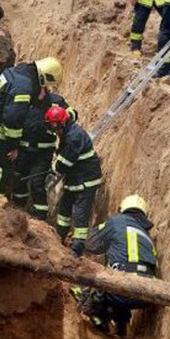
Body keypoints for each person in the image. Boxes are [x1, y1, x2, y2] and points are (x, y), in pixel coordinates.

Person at [0, 57, 62, 197]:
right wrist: (13, 146)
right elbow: (13, 119)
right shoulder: (24, 86)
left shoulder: (16, 72)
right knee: (4, 170)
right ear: (44, 79)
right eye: (45, 87)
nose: (45, 91)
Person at [72, 194, 157, 339]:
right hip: (147, 295)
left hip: (121, 291)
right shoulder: (146, 236)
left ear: (122, 209)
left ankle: (102, 321)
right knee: (123, 278)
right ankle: (123, 326)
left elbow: (91, 243)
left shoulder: (116, 221)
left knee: (85, 290)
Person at [44, 106, 102, 257]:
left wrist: (54, 167)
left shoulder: (74, 137)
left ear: (61, 123)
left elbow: (64, 163)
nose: (54, 130)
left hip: (85, 181)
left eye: (54, 127)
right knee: (63, 210)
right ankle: (59, 237)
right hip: (74, 178)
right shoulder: (67, 130)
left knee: (80, 215)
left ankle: (77, 249)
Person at [12, 92, 77, 219]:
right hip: (23, 149)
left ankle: (40, 217)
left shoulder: (55, 100)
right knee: (19, 179)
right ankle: (18, 208)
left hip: (43, 152)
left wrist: (61, 116)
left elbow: (73, 114)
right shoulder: (26, 97)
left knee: (37, 184)